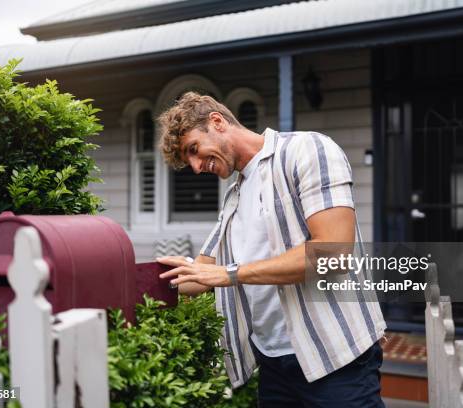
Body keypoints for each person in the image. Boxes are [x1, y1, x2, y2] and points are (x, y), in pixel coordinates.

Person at [157, 91, 386, 407]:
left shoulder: (306, 150)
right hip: (274, 364)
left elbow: (333, 253)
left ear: (217, 121)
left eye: (194, 150)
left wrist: (231, 274)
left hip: (336, 358)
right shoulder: (234, 199)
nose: (196, 167)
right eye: (189, 161)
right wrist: (135, 283)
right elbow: (199, 273)